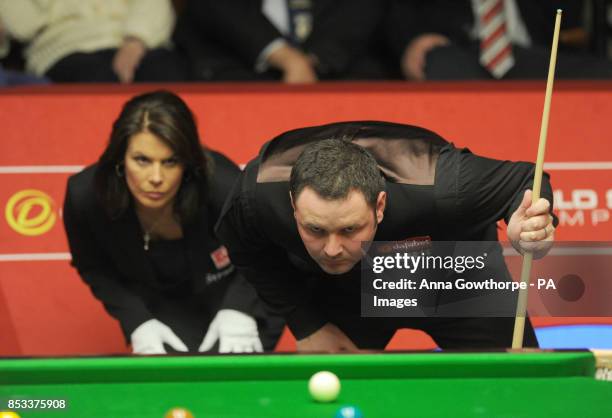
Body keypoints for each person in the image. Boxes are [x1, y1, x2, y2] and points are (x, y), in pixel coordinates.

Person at [216, 121, 556, 352]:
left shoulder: (442, 184)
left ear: (380, 205)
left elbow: (525, 179)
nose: (331, 249)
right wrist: (307, 324)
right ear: (293, 206)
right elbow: (246, 249)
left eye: (349, 229)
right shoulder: (257, 198)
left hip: (456, 278)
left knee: (518, 386)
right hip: (346, 292)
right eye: (315, 230)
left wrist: (526, 221)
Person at [63, 91, 282, 354]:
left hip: (243, 285)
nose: (156, 177)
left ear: (187, 163)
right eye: (142, 160)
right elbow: (93, 267)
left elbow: (268, 248)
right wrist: (136, 320)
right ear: (121, 158)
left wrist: (240, 307)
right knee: (181, 378)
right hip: (161, 296)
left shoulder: (221, 184)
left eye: (170, 161)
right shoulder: (85, 196)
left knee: (233, 378)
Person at [386, 0, 612, 80]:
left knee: (603, 73)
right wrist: (410, 42)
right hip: (461, 53)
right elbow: (396, 11)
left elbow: (569, 18)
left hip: (533, 55)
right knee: (440, 63)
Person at [173, 0, 392, 82]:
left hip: (337, 72)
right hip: (237, 72)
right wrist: (286, 58)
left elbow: (362, 11)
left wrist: (313, 60)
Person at [0, 0, 185, 83]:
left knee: (167, 73)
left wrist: (135, 40)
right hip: (65, 47)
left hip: (142, 42)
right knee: (95, 81)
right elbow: (24, 25)